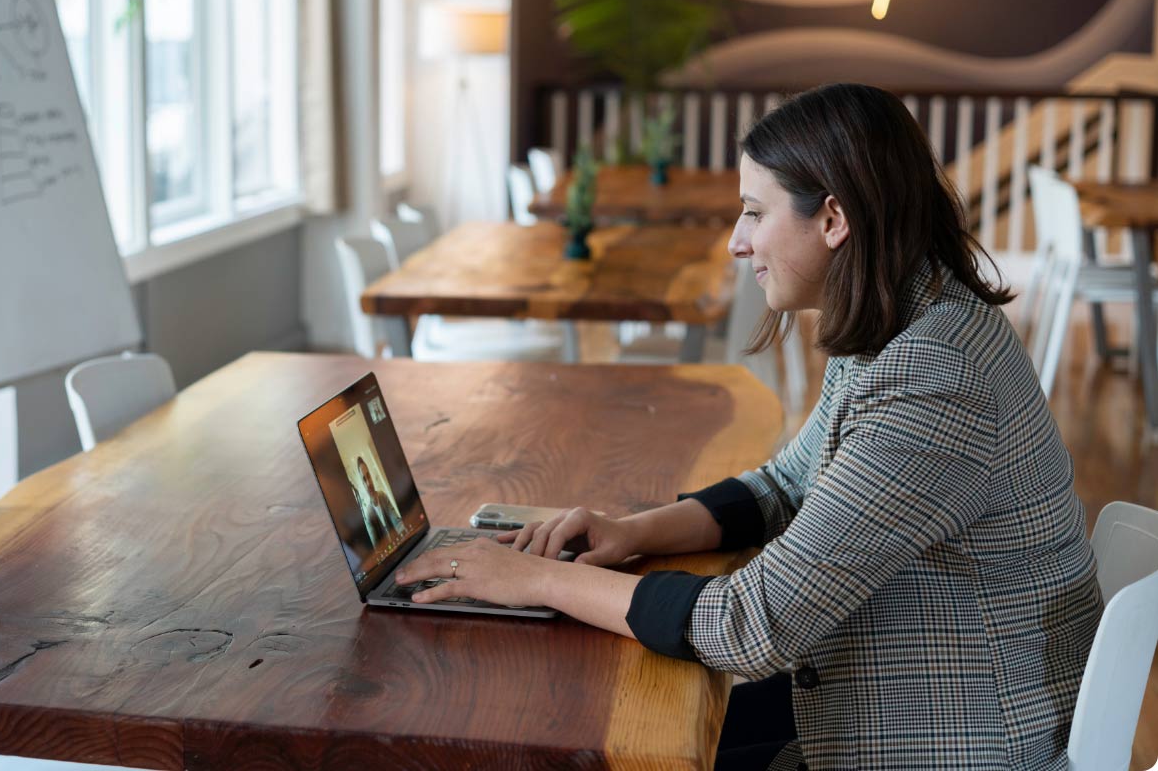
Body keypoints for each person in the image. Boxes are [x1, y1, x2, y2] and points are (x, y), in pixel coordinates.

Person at [394, 83, 1103, 770]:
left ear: (833, 219)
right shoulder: (908, 322)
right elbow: (786, 485)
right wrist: (632, 531)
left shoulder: (938, 375)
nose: (737, 242)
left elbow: (752, 626)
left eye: (754, 213)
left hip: (957, 743)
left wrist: (534, 582)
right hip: (902, 702)